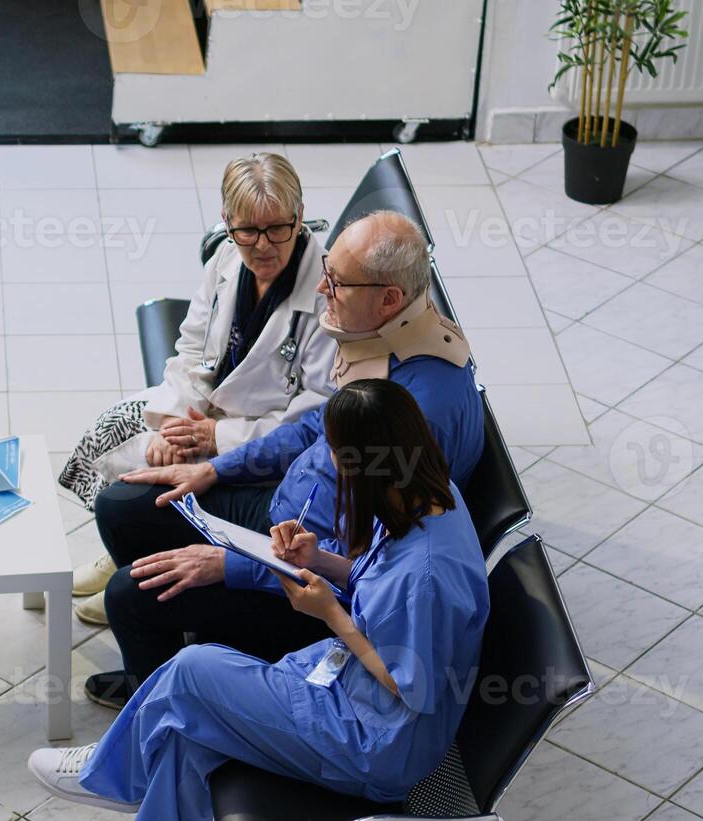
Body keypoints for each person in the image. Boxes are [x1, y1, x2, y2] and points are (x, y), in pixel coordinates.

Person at [27, 378, 490, 821]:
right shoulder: (424, 495)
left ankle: (118, 774)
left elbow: (410, 685)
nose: (332, 468)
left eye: (338, 457)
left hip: (377, 744)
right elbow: (376, 580)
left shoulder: (428, 575)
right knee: (191, 722)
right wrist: (322, 561)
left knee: (196, 671)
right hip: (346, 692)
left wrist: (331, 615)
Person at [81, 210, 483, 708]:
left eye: (336, 283)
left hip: (309, 590)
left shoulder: (418, 418)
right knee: (125, 506)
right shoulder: (388, 342)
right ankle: (161, 660)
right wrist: (214, 469)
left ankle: (165, 708)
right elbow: (315, 428)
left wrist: (235, 566)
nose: (321, 292)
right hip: (292, 516)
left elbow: (364, 570)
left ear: (390, 298)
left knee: (133, 595)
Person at [64, 152, 336, 625]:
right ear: (227, 223)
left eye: (277, 228)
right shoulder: (227, 258)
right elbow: (192, 346)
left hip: (260, 443)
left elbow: (312, 416)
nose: (263, 245)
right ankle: (126, 551)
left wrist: (217, 438)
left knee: (147, 482)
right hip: (204, 409)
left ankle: (136, 567)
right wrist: (175, 418)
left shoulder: (327, 294)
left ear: (299, 217)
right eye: (247, 230)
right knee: (118, 430)